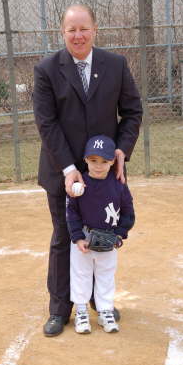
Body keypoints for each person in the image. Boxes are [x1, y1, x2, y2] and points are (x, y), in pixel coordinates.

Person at [33, 3, 142, 337]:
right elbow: (47, 123)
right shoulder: (47, 69)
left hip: (103, 174)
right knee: (65, 236)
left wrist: (120, 151)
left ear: (95, 29)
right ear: (62, 32)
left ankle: (98, 302)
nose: (78, 35)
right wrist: (68, 168)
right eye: (71, 30)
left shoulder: (115, 64)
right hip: (61, 169)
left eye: (83, 28)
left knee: (102, 237)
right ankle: (59, 308)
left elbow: (133, 112)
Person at [66, 134, 135, 334]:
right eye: (93, 160)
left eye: (104, 161)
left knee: (106, 275)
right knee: (81, 275)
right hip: (83, 240)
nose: (98, 165)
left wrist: (120, 235)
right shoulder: (81, 186)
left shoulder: (118, 184)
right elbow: (72, 213)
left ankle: (105, 311)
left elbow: (128, 211)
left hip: (108, 239)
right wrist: (77, 237)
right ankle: (81, 311)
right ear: (85, 159)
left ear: (113, 161)